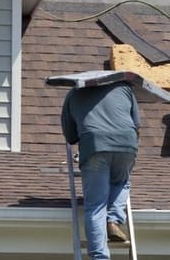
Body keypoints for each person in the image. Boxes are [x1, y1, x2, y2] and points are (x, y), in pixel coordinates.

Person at [61, 81, 140, 260]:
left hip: (94, 145)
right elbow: (136, 124)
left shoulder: (74, 93)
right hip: (126, 143)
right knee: (121, 182)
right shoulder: (124, 88)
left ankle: (100, 256)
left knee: (96, 206)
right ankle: (113, 221)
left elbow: (70, 136)